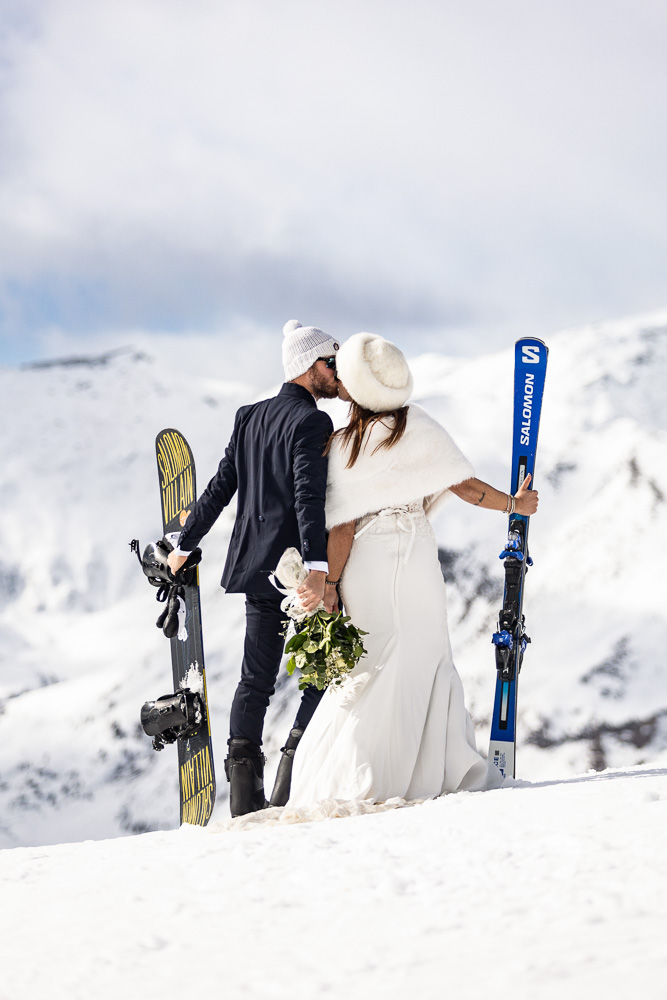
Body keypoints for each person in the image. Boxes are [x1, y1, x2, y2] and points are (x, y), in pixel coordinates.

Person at [288, 332, 538, 808]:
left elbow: (341, 527)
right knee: (428, 653)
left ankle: (365, 774)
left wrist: (332, 585)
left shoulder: (345, 446)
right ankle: (433, 772)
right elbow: (463, 485)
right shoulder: (417, 426)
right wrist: (514, 505)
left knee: (373, 663)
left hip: (369, 563)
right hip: (418, 554)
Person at [167, 320, 340, 817]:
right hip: (296, 574)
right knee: (326, 668)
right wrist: (316, 567)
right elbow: (309, 499)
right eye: (333, 363)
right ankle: (291, 770)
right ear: (313, 367)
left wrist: (184, 544)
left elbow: (220, 489)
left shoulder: (250, 417)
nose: (337, 374)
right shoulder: (312, 422)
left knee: (255, 680)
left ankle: (244, 802)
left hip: (255, 568)